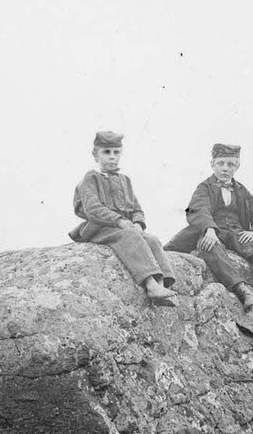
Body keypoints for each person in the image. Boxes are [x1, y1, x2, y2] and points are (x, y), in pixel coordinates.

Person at [165, 143, 253, 326]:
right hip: (213, 230)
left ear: (237, 166)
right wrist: (209, 228)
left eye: (231, 164)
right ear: (212, 164)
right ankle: (241, 289)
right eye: (221, 163)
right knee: (208, 246)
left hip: (237, 233)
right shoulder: (204, 187)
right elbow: (198, 209)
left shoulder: (241, 191)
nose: (225, 168)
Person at [69, 131, 177, 307]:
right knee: (130, 236)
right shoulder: (91, 178)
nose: (112, 156)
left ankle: (162, 286)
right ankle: (150, 284)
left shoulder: (125, 180)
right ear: (95, 155)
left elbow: (136, 208)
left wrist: (138, 223)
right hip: (100, 228)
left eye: (116, 152)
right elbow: (92, 208)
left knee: (152, 239)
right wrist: (118, 220)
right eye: (106, 152)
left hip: (124, 226)